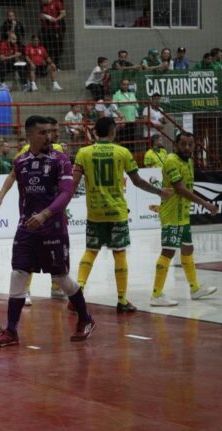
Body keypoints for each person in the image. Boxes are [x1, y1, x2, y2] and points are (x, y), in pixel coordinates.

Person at [0, 115, 95, 348]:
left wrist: (46, 214)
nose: (49, 137)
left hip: (53, 228)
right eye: (42, 133)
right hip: (26, 227)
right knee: (18, 274)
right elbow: (13, 176)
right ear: (29, 136)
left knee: (60, 278)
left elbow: (66, 193)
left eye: (50, 132)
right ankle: (11, 331)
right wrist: (0, 195)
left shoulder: (61, 160)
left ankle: (86, 318)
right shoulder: (20, 160)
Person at [72, 117, 171, 313]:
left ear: (95, 131)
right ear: (112, 131)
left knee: (91, 251)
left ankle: (78, 295)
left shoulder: (83, 153)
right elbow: (137, 181)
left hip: (95, 212)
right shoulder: (122, 152)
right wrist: (160, 192)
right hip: (117, 211)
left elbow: (73, 184)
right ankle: (122, 300)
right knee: (119, 253)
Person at [149, 132, 219, 307]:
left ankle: (195, 289)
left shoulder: (188, 161)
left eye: (190, 144)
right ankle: (156, 294)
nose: (187, 148)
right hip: (172, 215)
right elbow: (180, 189)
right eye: (184, 144)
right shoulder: (172, 160)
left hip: (183, 215)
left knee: (188, 248)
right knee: (168, 252)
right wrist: (206, 204)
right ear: (175, 145)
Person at [112, 78, 137, 146]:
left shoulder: (132, 94)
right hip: (122, 121)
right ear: (120, 85)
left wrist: (136, 117)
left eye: (127, 84)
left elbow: (135, 106)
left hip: (132, 120)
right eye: (124, 84)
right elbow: (114, 107)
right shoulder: (116, 95)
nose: (126, 86)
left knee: (131, 140)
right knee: (123, 140)